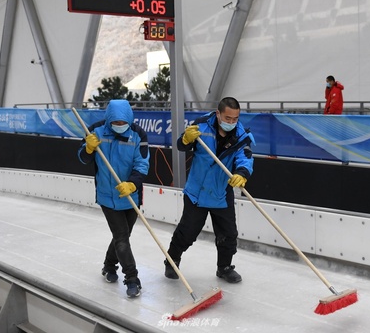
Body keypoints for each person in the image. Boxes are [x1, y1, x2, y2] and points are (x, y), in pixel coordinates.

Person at [164, 97, 254, 283]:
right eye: (227, 118)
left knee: (228, 234)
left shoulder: (241, 136)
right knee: (187, 232)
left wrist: (242, 173)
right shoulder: (201, 126)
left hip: (221, 192)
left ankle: (225, 267)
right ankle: (172, 261)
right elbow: (182, 145)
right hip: (197, 191)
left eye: (235, 119)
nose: (231, 122)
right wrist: (186, 139)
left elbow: (245, 158)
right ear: (218, 114)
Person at [77, 99, 149, 298]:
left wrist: (133, 183)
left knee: (122, 236)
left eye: (122, 123)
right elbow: (83, 158)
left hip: (131, 195)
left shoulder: (138, 135)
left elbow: (142, 164)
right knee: (122, 238)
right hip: (107, 196)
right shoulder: (96, 130)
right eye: (115, 123)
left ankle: (109, 266)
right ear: (109, 120)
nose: (119, 126)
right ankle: (132, 279)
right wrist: (88, 148)